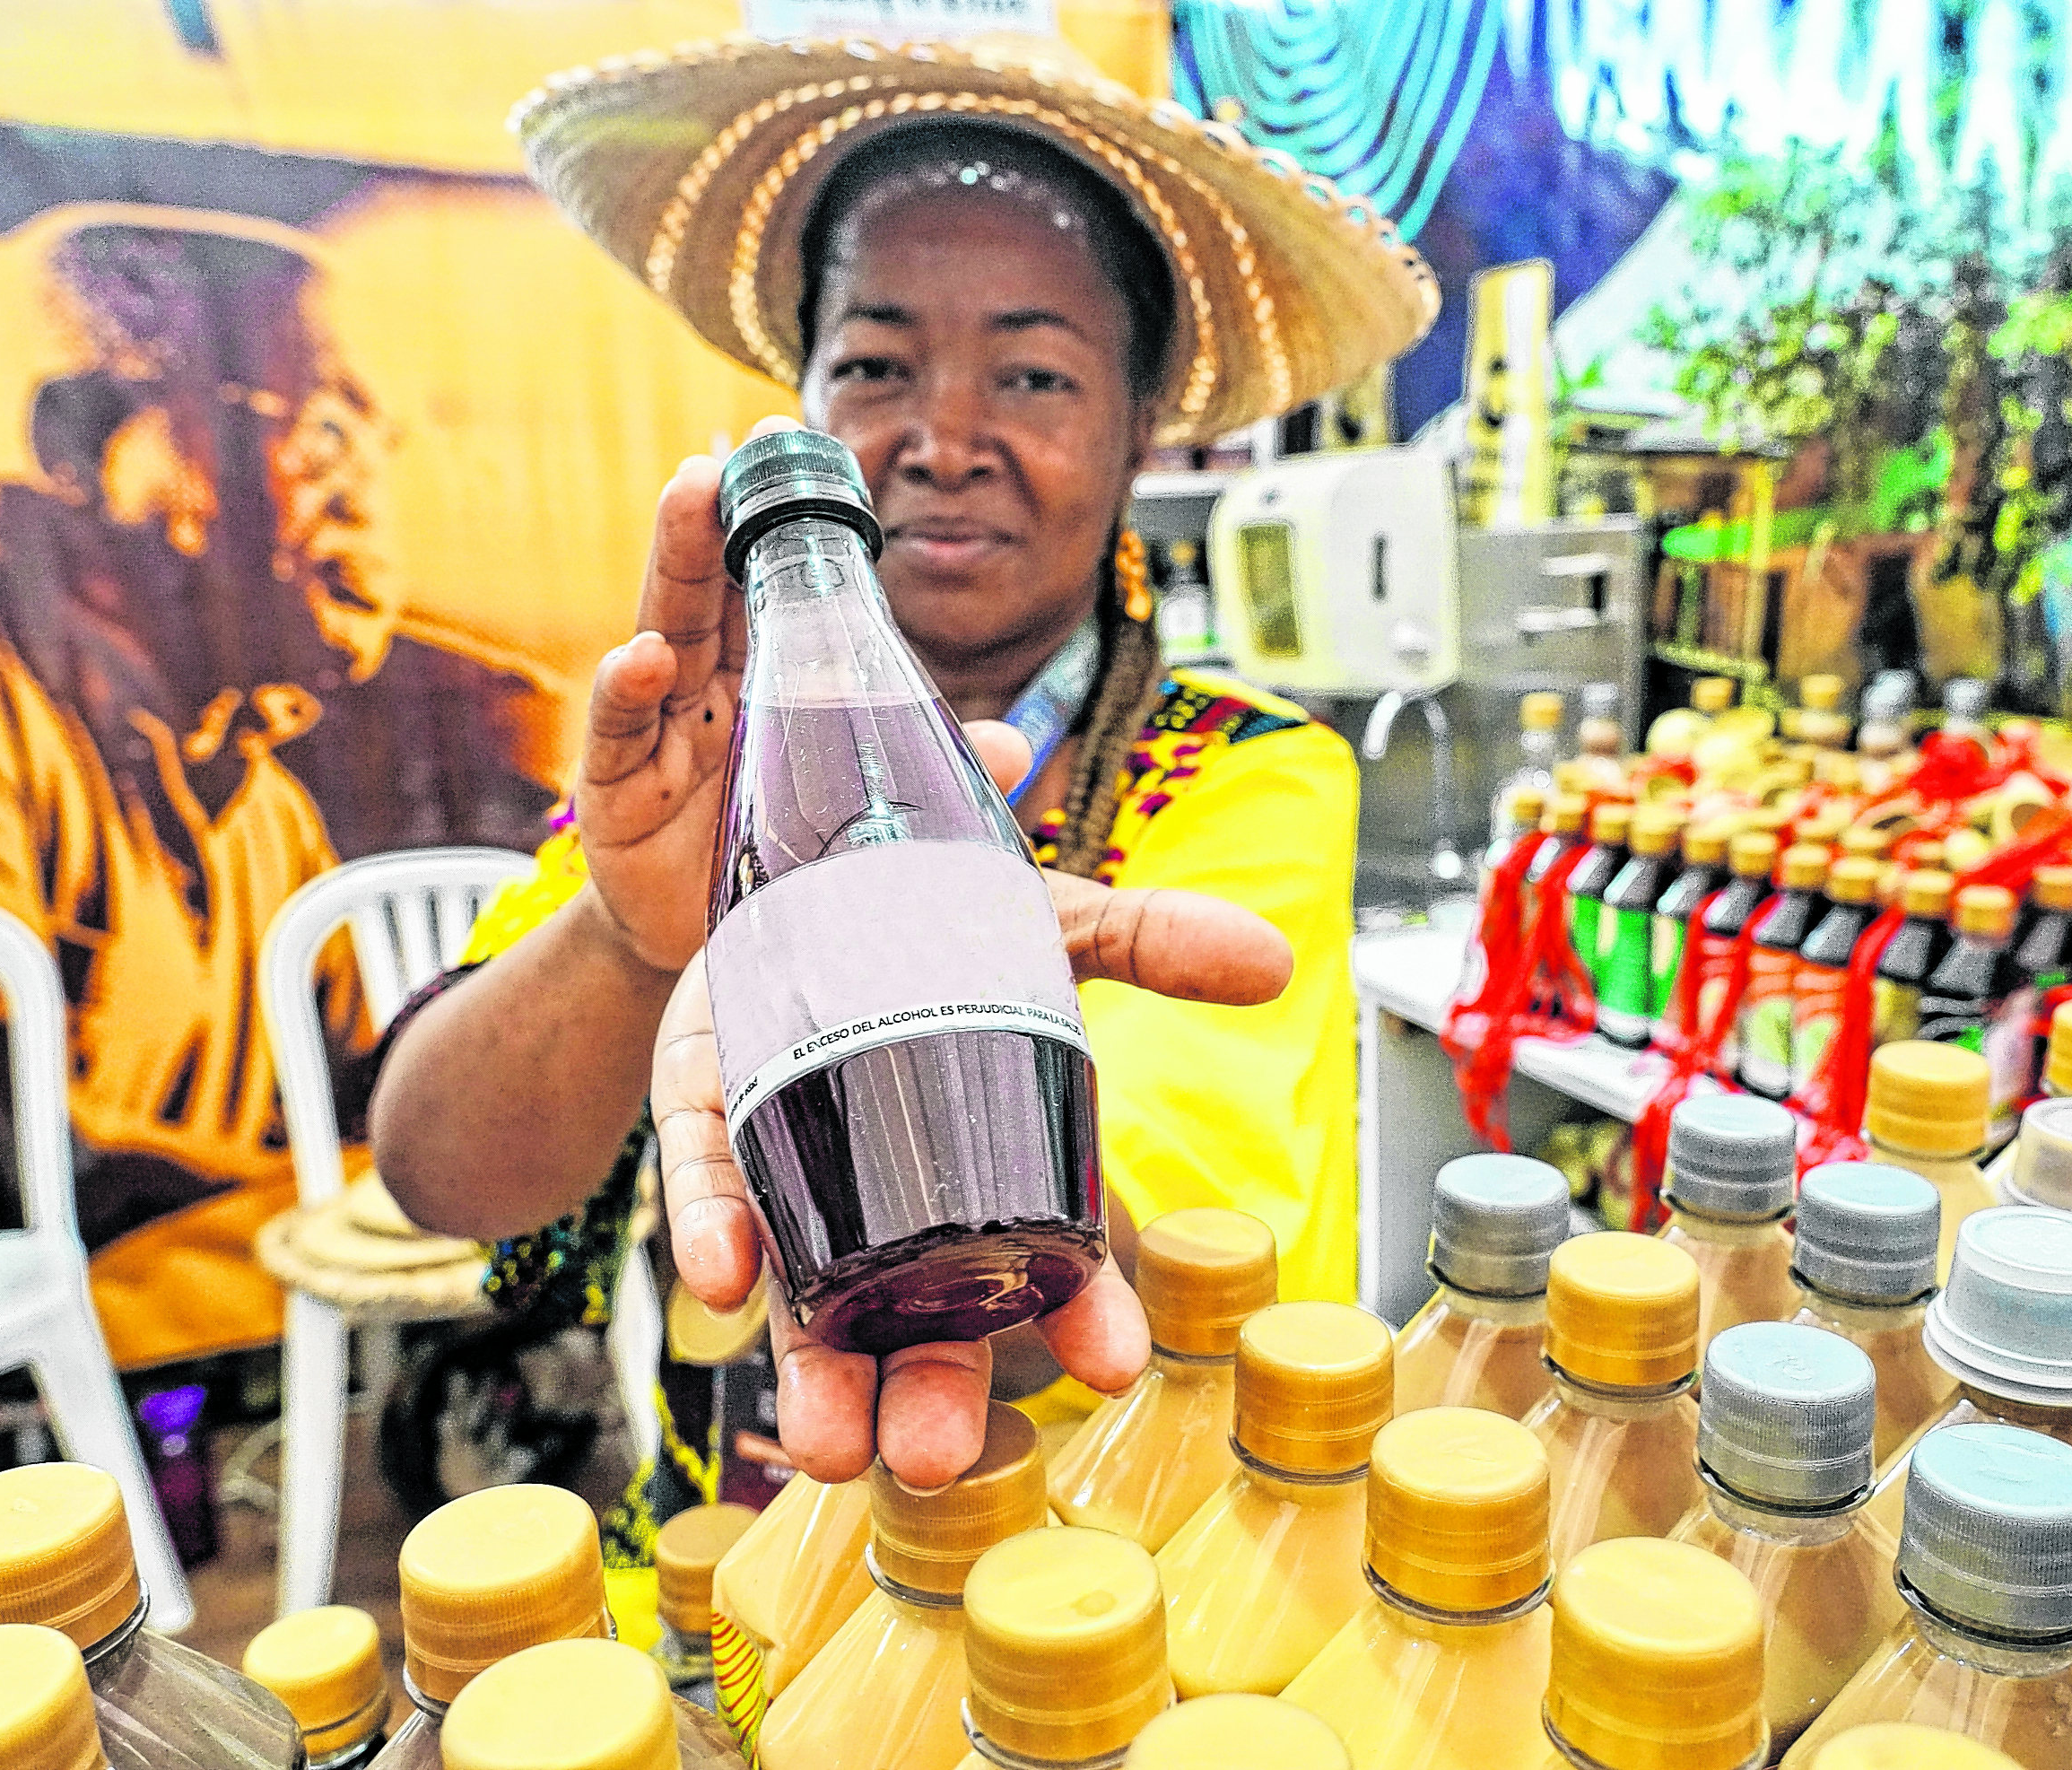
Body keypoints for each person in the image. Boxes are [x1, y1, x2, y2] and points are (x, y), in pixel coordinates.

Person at [370, 32, 1438, 1501]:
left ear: (1141, 434)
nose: (940, 438)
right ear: (801, 404)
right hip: (742, 1580)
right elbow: (443, 1170)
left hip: (1111, 1590)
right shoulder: (703, 770)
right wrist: (633, 943)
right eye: (874, 362)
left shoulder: (1252, 776)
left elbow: (1152, 1251)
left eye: (1036, 374)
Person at [0, 213, 553, 1367]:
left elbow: (374, 1098)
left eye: (380, 443)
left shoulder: (260, 806)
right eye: (318, 430)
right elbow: (1, 1159)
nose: (369, 488)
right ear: (81, 448)